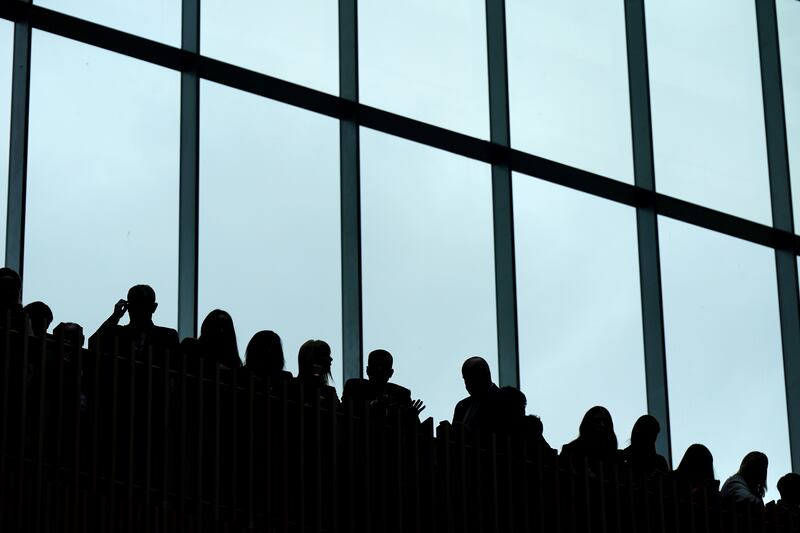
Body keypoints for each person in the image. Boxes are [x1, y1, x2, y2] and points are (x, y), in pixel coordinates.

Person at [89, 285, 179, 359]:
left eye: (142, 306)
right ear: (154, 307)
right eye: (136, 305)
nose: (139, 311)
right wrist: (115, 316)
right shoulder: (166, 335)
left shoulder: (167, 336)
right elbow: (93, 344)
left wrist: (115, 316)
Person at [342, 349, 425, 417]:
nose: (379, 370)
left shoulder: (402, 395)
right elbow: (344, 411)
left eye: (383, 367)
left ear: (390, 373)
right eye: (376, 366)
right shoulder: (354, 387)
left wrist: (411, 417)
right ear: (368, 370)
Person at [452, 356, 509, 436]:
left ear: (484, 375)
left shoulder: (506, 401)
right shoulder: (461, 406)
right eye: (465, 379)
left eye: (471, 379)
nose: (467, 384)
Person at [295, 339, 339, 404]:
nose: (331, 359)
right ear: (313, 359)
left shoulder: (292, 386)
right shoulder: (329, 392)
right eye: (325, 354)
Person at [0, 267, 30, 333]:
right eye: (4, 287)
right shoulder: (22, 319)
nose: (8, 292)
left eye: (12, 289)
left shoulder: (22, 319)